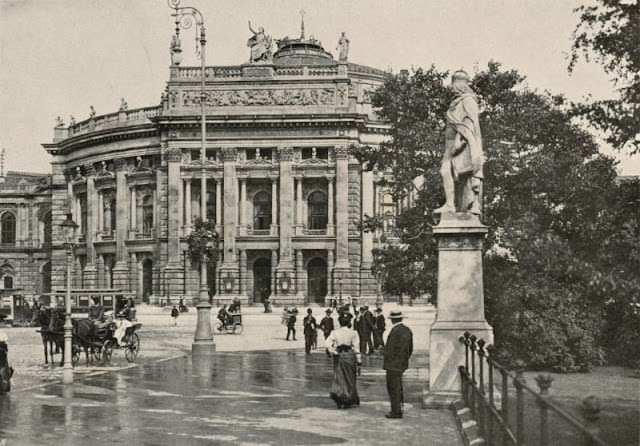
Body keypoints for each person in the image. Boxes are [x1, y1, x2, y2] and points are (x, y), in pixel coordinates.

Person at [434, 70, 484, 216]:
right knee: (447, 172)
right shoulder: (458, 101)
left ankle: (457, 205)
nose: (452, 87)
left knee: (457, 173)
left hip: (461, 144)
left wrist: (458, 140)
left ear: (462, 83)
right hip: (449, 143)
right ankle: (450, 204)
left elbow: (470, 123)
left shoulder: (468, 100)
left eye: (454, 83)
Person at [326, 312, 361, 409]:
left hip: (339, 356)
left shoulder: (335, 332)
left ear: (340, 322)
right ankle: (349, 397)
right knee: (350, 377)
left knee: (339, 377)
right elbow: (356, 347)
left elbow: (328, 343)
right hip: (350, 356)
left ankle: (340, 396)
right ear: (349, 322)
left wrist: (334, 351)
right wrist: (359, 360)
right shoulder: (353, 333)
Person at [383, 310, 413, 419]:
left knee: (393, 388)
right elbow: (410, 349)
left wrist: (385, 355)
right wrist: (404, 360)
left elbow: (390, 350)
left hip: (392, 364)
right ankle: (398, 408)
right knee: (398, 387)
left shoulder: (395, 331)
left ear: (392, 319)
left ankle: (395, 411)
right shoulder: (407, 330)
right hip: (401, 364)